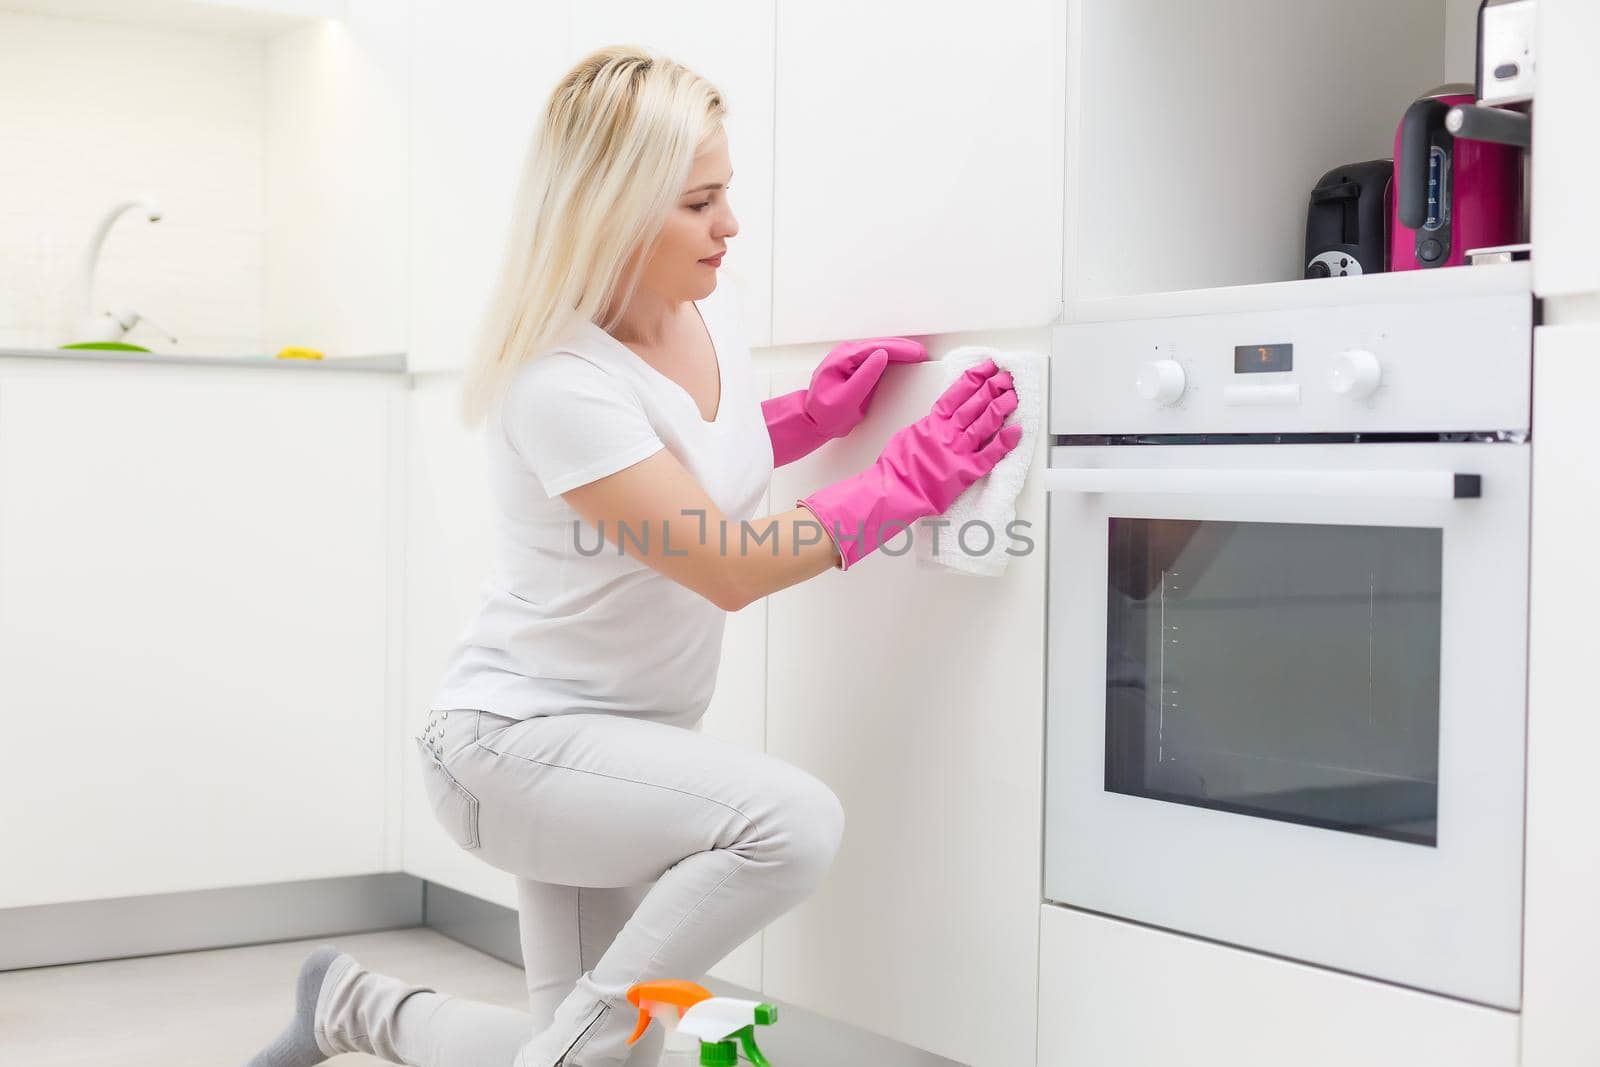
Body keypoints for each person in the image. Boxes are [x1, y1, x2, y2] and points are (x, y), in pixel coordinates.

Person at [245, 43, 1020, 1067]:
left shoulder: (712, 307)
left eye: (726, 192)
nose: (729, 225)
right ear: (613, 207)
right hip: (514, 751)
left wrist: (805, 415)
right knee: (789, 823)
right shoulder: (559, 379)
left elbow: (680, 459)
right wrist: (899, 483)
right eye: (699, 202)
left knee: (600, 1050)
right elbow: (724, 563)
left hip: (621, 753)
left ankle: (353, 1006)